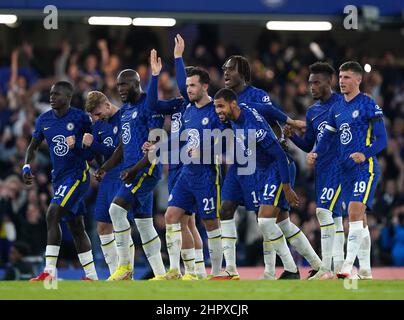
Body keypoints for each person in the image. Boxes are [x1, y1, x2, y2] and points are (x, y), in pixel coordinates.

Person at [218, 55, 321, 279]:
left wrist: (288, 125)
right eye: (223, 69)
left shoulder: (256, 96)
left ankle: (273, 270)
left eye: (230, 69)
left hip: (266, 163)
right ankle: (232, 270)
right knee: (236, 211)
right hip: (242, 164)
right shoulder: (224, 100)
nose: (225, 72)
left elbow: (270, 119)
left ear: (243, 73)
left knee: (268, 219)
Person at [307, 61, 388, 279]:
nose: (341, 81)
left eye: (347, 77)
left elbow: (382, 139)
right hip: (344, 171)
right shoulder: (338, 108)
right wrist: (316, 151)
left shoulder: (368, 103)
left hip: (365, 168)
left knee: (353, 211)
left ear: (358, 80)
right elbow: (327, 136)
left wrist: (366, 154)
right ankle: (366, 270)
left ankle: (346, 267)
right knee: (359, 218)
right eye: (340, 77)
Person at [214, 88, 300, 279]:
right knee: (272, 222)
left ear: (232, 104)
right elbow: (268, 109)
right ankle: (314, 266)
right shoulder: (241, 109)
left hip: (274, 169)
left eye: (221, 106)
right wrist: (292, 121)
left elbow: (278, 154)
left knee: (267, 220)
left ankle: (287, 269)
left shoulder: (253, 126)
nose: (218, 111)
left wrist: (287, 188)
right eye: (216, 107)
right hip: (255, 168)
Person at [94, 50, 166, 281]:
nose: (121, 89)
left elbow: (156, 143)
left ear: (137, 84)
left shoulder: (150, 105)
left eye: (125, 84)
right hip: (133, 170)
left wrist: (133, 170)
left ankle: (124, 268)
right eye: (118, 86)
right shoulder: (124, 112)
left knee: (116, 209)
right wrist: (105, 166)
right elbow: (122, 148)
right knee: (144, 223)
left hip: (147, 169)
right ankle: (161, 274)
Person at [143, 34, 207, 279]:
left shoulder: (196, 107)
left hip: (190, 167)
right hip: (176, 166)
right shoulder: (178, 106)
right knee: (186, 223)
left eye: (189, 85)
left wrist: (178, 58)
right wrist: (155, 76)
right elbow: (151, 105)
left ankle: (183, 270)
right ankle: (197, 272)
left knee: (179, 220)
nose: (185, 89)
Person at [23, 81, 98, 281]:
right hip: (59, 177)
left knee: (52, 213)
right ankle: (91, 276)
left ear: (68, 97)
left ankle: (49, 272)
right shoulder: (44, 119)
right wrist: (27, 166)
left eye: (56, 94)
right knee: (76, 225)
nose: (51, 97)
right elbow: (33, 146)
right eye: (50, 93)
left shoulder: (81, 118)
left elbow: (92, 148)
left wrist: (85, 149)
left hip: (78, 174)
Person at [160, 66, 227, 280]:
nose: (188, 89)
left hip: (207, 174)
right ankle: (185, 271)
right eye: (187, 85)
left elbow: (226, 141)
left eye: (192, 85)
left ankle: (216, 272)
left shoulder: (216, 110)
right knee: (171, 215)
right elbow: (179, 138)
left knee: (210, 222)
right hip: (187, 174)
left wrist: (204, 150)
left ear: (204, 86)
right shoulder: (188, 111)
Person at [283, 62, 345, 279]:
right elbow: (310, 144)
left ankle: (325, 269)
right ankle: (339, 269)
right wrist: (292, 138)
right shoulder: (313, 111)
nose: (312, 87)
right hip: (323, 170)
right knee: (334, 218)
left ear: (331, 82)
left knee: (322, 211)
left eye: (317, 83)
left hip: (340, 167)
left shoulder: (342, 104)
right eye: (310, 83)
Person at [83, 91, 135, 276]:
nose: (96, 118)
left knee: (120, 223)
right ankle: (115, 273)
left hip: (123, 174)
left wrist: (92, 145)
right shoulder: (98, 125)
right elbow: (96, 155)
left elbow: (118, 151)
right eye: (93, 116)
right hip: (107, 178)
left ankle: (127, 270)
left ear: (107, 105)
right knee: (102, 226)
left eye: (97, 114)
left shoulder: (124, 118)